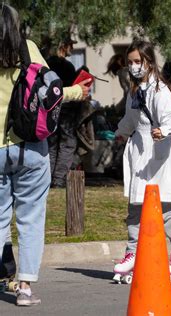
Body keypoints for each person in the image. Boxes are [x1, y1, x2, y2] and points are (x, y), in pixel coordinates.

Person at [0, 4, 90, 306]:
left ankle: (2, 275)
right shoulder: (27, 50)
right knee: (31, 219)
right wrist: (78, 91)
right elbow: (49, 93)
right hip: (30, 149)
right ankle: (24, 287)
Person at [113, 40, 171, 281]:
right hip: (140, 153)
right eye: (130, 63)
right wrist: (121, 132)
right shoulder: (134, 91)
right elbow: (131, 117)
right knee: (135, 207)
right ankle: (133, 253)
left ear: (149, 62)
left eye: (138, 61)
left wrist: (164, 130)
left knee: (165, 207)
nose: (134, 66)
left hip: (160, 154)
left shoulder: (160, 90)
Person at [47, 37, 83, 188]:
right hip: (66, 108)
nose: (72, 49)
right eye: (70, 46)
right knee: (67, 143)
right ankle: (59, 179)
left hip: (50, 108)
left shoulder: (47, 63)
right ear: (64, 46)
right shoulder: (67, 66)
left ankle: (48, 178)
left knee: (51, 143)